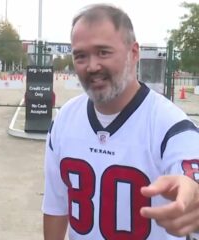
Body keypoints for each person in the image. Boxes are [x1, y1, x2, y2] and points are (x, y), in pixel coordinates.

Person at [42, 4, 199, 240]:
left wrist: (193, 198)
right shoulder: (65, 119)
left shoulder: (171, 126)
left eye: (103, 52)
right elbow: (56, 205)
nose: (92, 66)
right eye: (80, 56)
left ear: (133, 53)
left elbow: (190, 180)